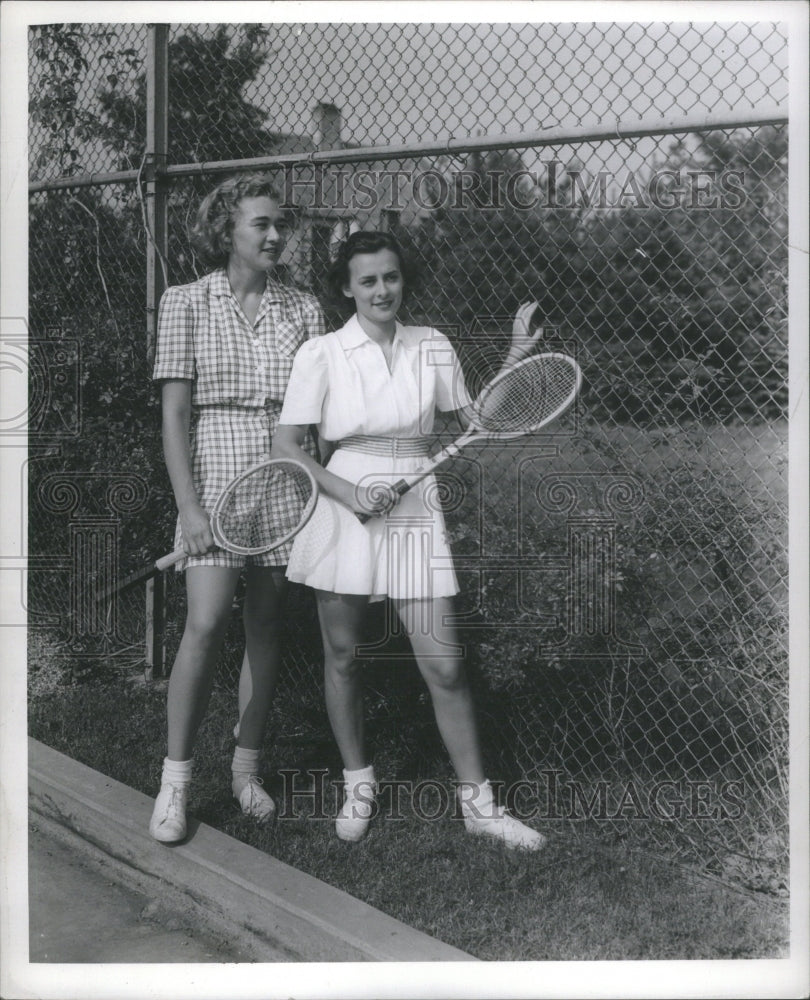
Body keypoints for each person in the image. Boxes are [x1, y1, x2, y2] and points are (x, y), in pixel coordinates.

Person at [272, 230, 546, 850]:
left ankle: (479, 806)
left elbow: (476, 420)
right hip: (345, 502)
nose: (381, 290)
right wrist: (348, 495)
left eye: (390, 278)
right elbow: (286, 447)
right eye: (367, 280)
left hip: (415, 503)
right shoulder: (321, 353)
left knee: (445, 664)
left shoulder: (432, 345)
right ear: (347, 287)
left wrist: (512, 355)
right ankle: (358, 782)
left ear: (403, 281)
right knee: (342, 655)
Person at [149, 173, 325, 843]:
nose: (276, 235)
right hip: (215, 477)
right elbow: (173, 416)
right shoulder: (185, 302)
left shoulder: (304, 309)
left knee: (267, 622)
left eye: (281, 224)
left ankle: (245, 769)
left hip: (286, 479)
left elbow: (317, 415)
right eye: (262, 224)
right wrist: (189, 508)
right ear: (228, 232)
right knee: (205, 622)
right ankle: (176, 782)